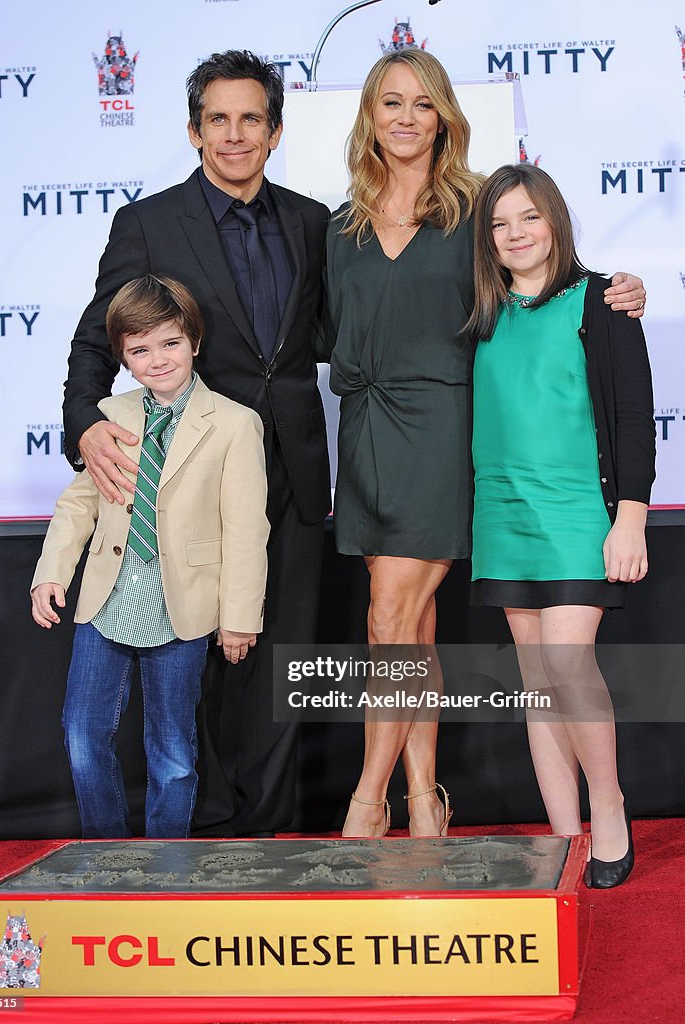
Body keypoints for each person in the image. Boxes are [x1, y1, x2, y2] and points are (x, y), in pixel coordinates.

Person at [323, 47, 647, 839]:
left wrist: (616, 290)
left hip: (443, 430)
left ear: (445, 118)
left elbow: (543, 268)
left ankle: (368, 801)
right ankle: (425, 798)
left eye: (422, 103)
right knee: (411, 613)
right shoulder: (338, 225)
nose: (405, 118)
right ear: (369, 114)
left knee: (389, 612)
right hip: (366, 430)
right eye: (390, 102)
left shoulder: (474, 209)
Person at [62, 51, 330, 837]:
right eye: (219, 119)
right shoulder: (147, 224)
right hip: (185, 479)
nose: (235, 134)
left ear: (275, 132)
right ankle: (203, 834)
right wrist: (85, 424)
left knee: (280, 665)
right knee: (195, 663)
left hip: (296, 474)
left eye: (252, 119)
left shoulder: (315, 223)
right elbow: (92, 338)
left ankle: (266, 836)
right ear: (194, 130)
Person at [465, 163, 655, 887]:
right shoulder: (478, 313)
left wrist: (629, 517)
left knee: (570, 666)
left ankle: (607, 807)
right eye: (499, 223)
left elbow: (636, 418)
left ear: (555, 222)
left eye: (529, 218)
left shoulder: (605, 300)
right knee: (537, 681)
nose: (515, 234)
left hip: (580, 512)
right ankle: (565, 833)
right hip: (502, 516)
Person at [31, 275, 269, 839]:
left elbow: (245, 530)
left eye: (169, 343)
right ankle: (107, 854)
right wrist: (51, 574)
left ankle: (165, 869)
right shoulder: (109, 413)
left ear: (194, 341)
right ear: (123, 358)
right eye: (139, 350)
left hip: (181, 607)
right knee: (83, 735)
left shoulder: (235, 423)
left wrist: (239, 618)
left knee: (173, 752)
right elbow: (78, 504)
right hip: (107, 600)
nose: (156, 360)